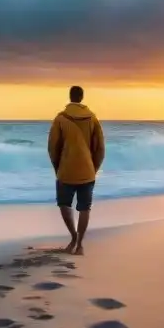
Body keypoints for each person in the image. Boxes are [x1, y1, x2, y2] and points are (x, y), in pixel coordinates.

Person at [47, 85, 105, 255]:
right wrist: (93, 168)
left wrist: (57, 167)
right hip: (87, 172)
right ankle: (79, 244)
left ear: (70, 97)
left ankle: (73, 236)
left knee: (64, 205)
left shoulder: (60, 119)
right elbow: (100, 148)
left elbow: (52, 148)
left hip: (65, 171)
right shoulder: (93, 118)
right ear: (82, 98)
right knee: (85, 208)